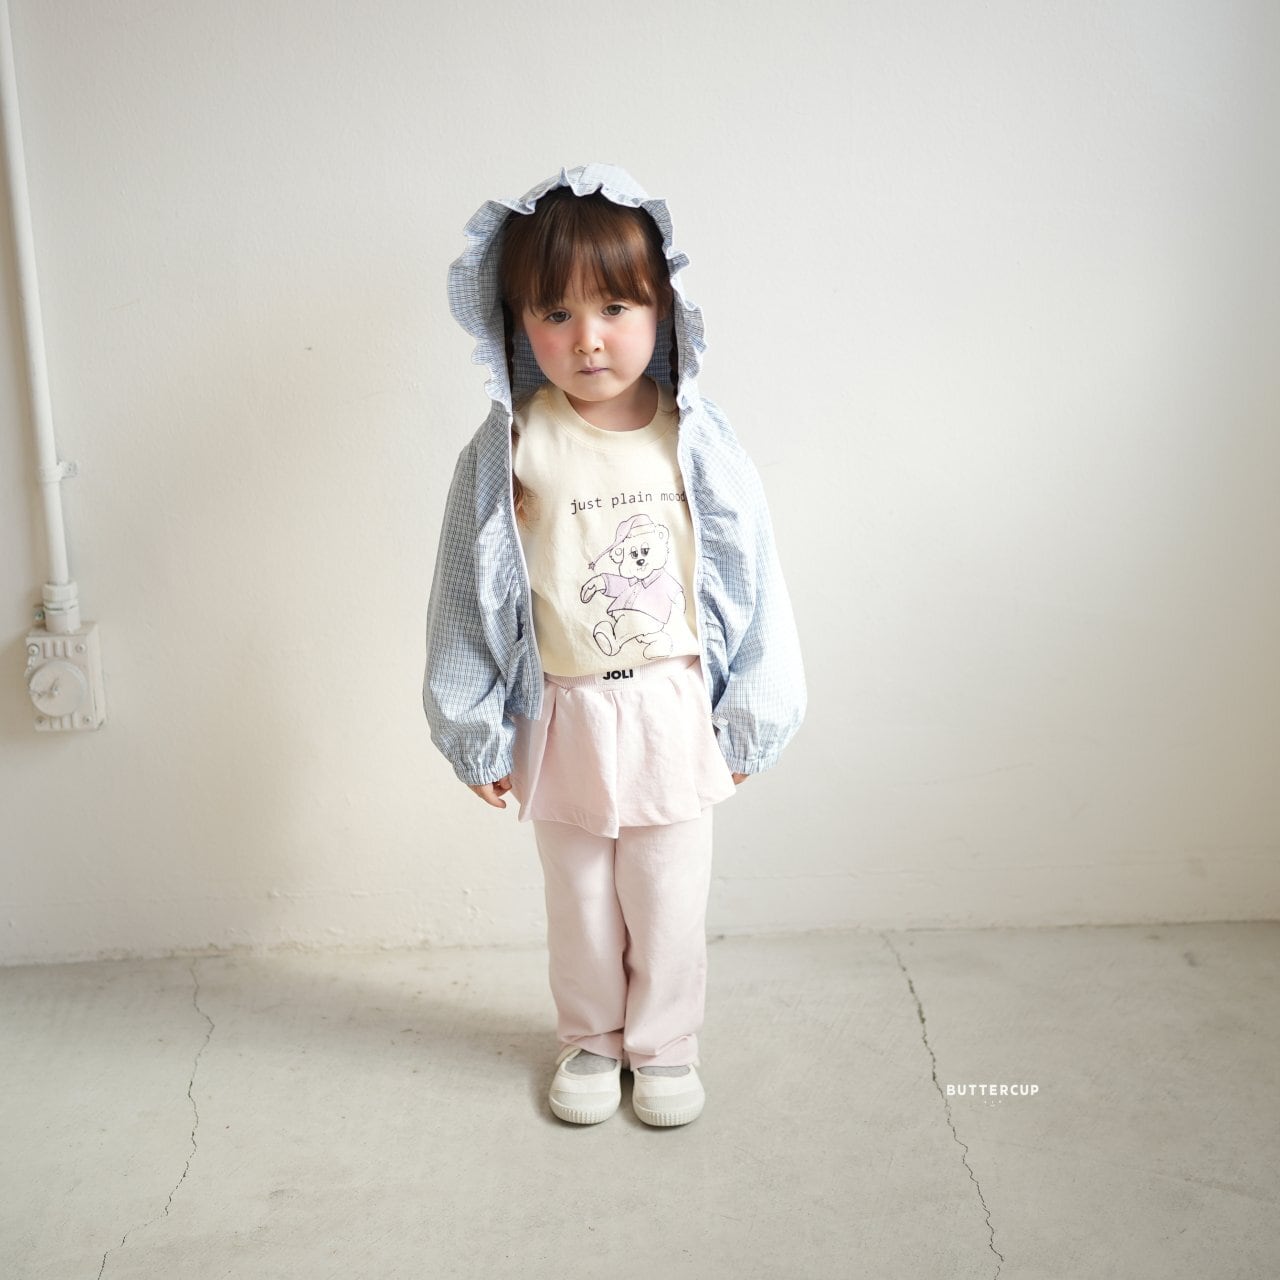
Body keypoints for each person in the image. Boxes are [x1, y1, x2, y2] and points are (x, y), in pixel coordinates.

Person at [424, 164, 805, 1127]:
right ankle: (592, 1039)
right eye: (555, 313)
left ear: (663, 309)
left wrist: (750, 717)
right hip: (565, 712)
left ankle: (665, 1045)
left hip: (673, 705)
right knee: (581, 897)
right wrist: (471, 726)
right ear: (515, 326)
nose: (587, 337)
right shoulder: (512, 446)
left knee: (669, 892)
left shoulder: (696, 441)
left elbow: (753, 576)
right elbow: (464, 594)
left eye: (615, 306)